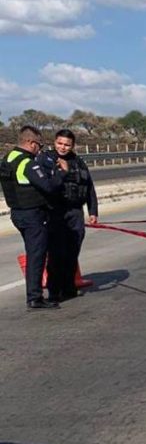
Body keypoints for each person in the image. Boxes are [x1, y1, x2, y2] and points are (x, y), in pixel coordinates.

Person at [1, 126, 64, 310]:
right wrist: (59, 173)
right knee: (37, 255)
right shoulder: (28, 162)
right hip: (32, 214)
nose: (40, 149)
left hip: (17, 213)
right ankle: (34, 297)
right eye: (39, 145)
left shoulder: (8, 159)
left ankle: (35, 294)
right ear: (30, 143)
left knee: (34, 252)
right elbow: (49, 186)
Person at [36, 129, 97, 302]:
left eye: (67, 144)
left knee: (72, 252)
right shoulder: (46, 160)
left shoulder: (78, 162)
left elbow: (89, 188)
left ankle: (69, 287)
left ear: (72, 145)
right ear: (54, 142)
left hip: (76, 212)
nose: (63, 147)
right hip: (55, 213)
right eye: (60, 143)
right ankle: (54, 291)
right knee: (57, 254)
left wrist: (93, 211)